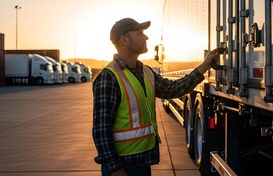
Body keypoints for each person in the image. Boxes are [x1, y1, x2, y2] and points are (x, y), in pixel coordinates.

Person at [92, 18, 219, 176]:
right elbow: (101, 130)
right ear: (124, 40)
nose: (146, 37)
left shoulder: (146, 72)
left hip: (143, 161)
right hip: (123, 165)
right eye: (139, 34)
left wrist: (204, 66)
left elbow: (173, 89)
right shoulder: (108, 77)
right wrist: (115, 168)